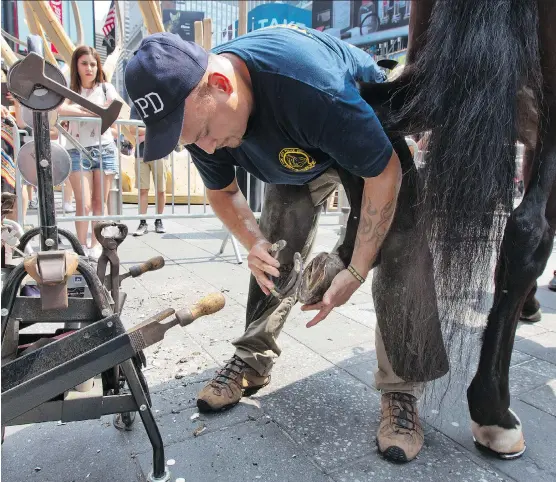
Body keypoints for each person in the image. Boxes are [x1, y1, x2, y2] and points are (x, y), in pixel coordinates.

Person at [125, 27, 432, 463]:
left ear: (222, 84)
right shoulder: (194, 113)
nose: (207, 147)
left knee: (402, 242)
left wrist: (357, 269)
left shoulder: (312, 87)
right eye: (195, 140)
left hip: (363, 135)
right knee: (275, 243)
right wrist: (252, 243)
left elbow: (383, 175)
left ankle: (401, 390)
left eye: (208, 132)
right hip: (292, 156)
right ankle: (252, 356)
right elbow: (222, 191)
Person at [58, 46, 119, 259]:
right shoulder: (69, 90)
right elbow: (58, 108)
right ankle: (80, 248)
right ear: (76, 65)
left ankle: (96, 245)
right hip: (76, 149)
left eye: (93, 64)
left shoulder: (106, 88)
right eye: (84, 63)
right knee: (82, 203)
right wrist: (90, 111)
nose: (89, 68)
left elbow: (114, 112)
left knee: (98, 203)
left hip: (104, 149)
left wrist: (80, 111)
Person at [129, 104, 167, 236]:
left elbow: (166, 127)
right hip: (141, 153)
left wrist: (144, 129)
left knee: (161, 190)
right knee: (142, 190)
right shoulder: (137, 105)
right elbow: (132, 129)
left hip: (160, 151)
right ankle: (142, 222)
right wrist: (153, 128)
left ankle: (159, 220)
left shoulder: (162, 103)